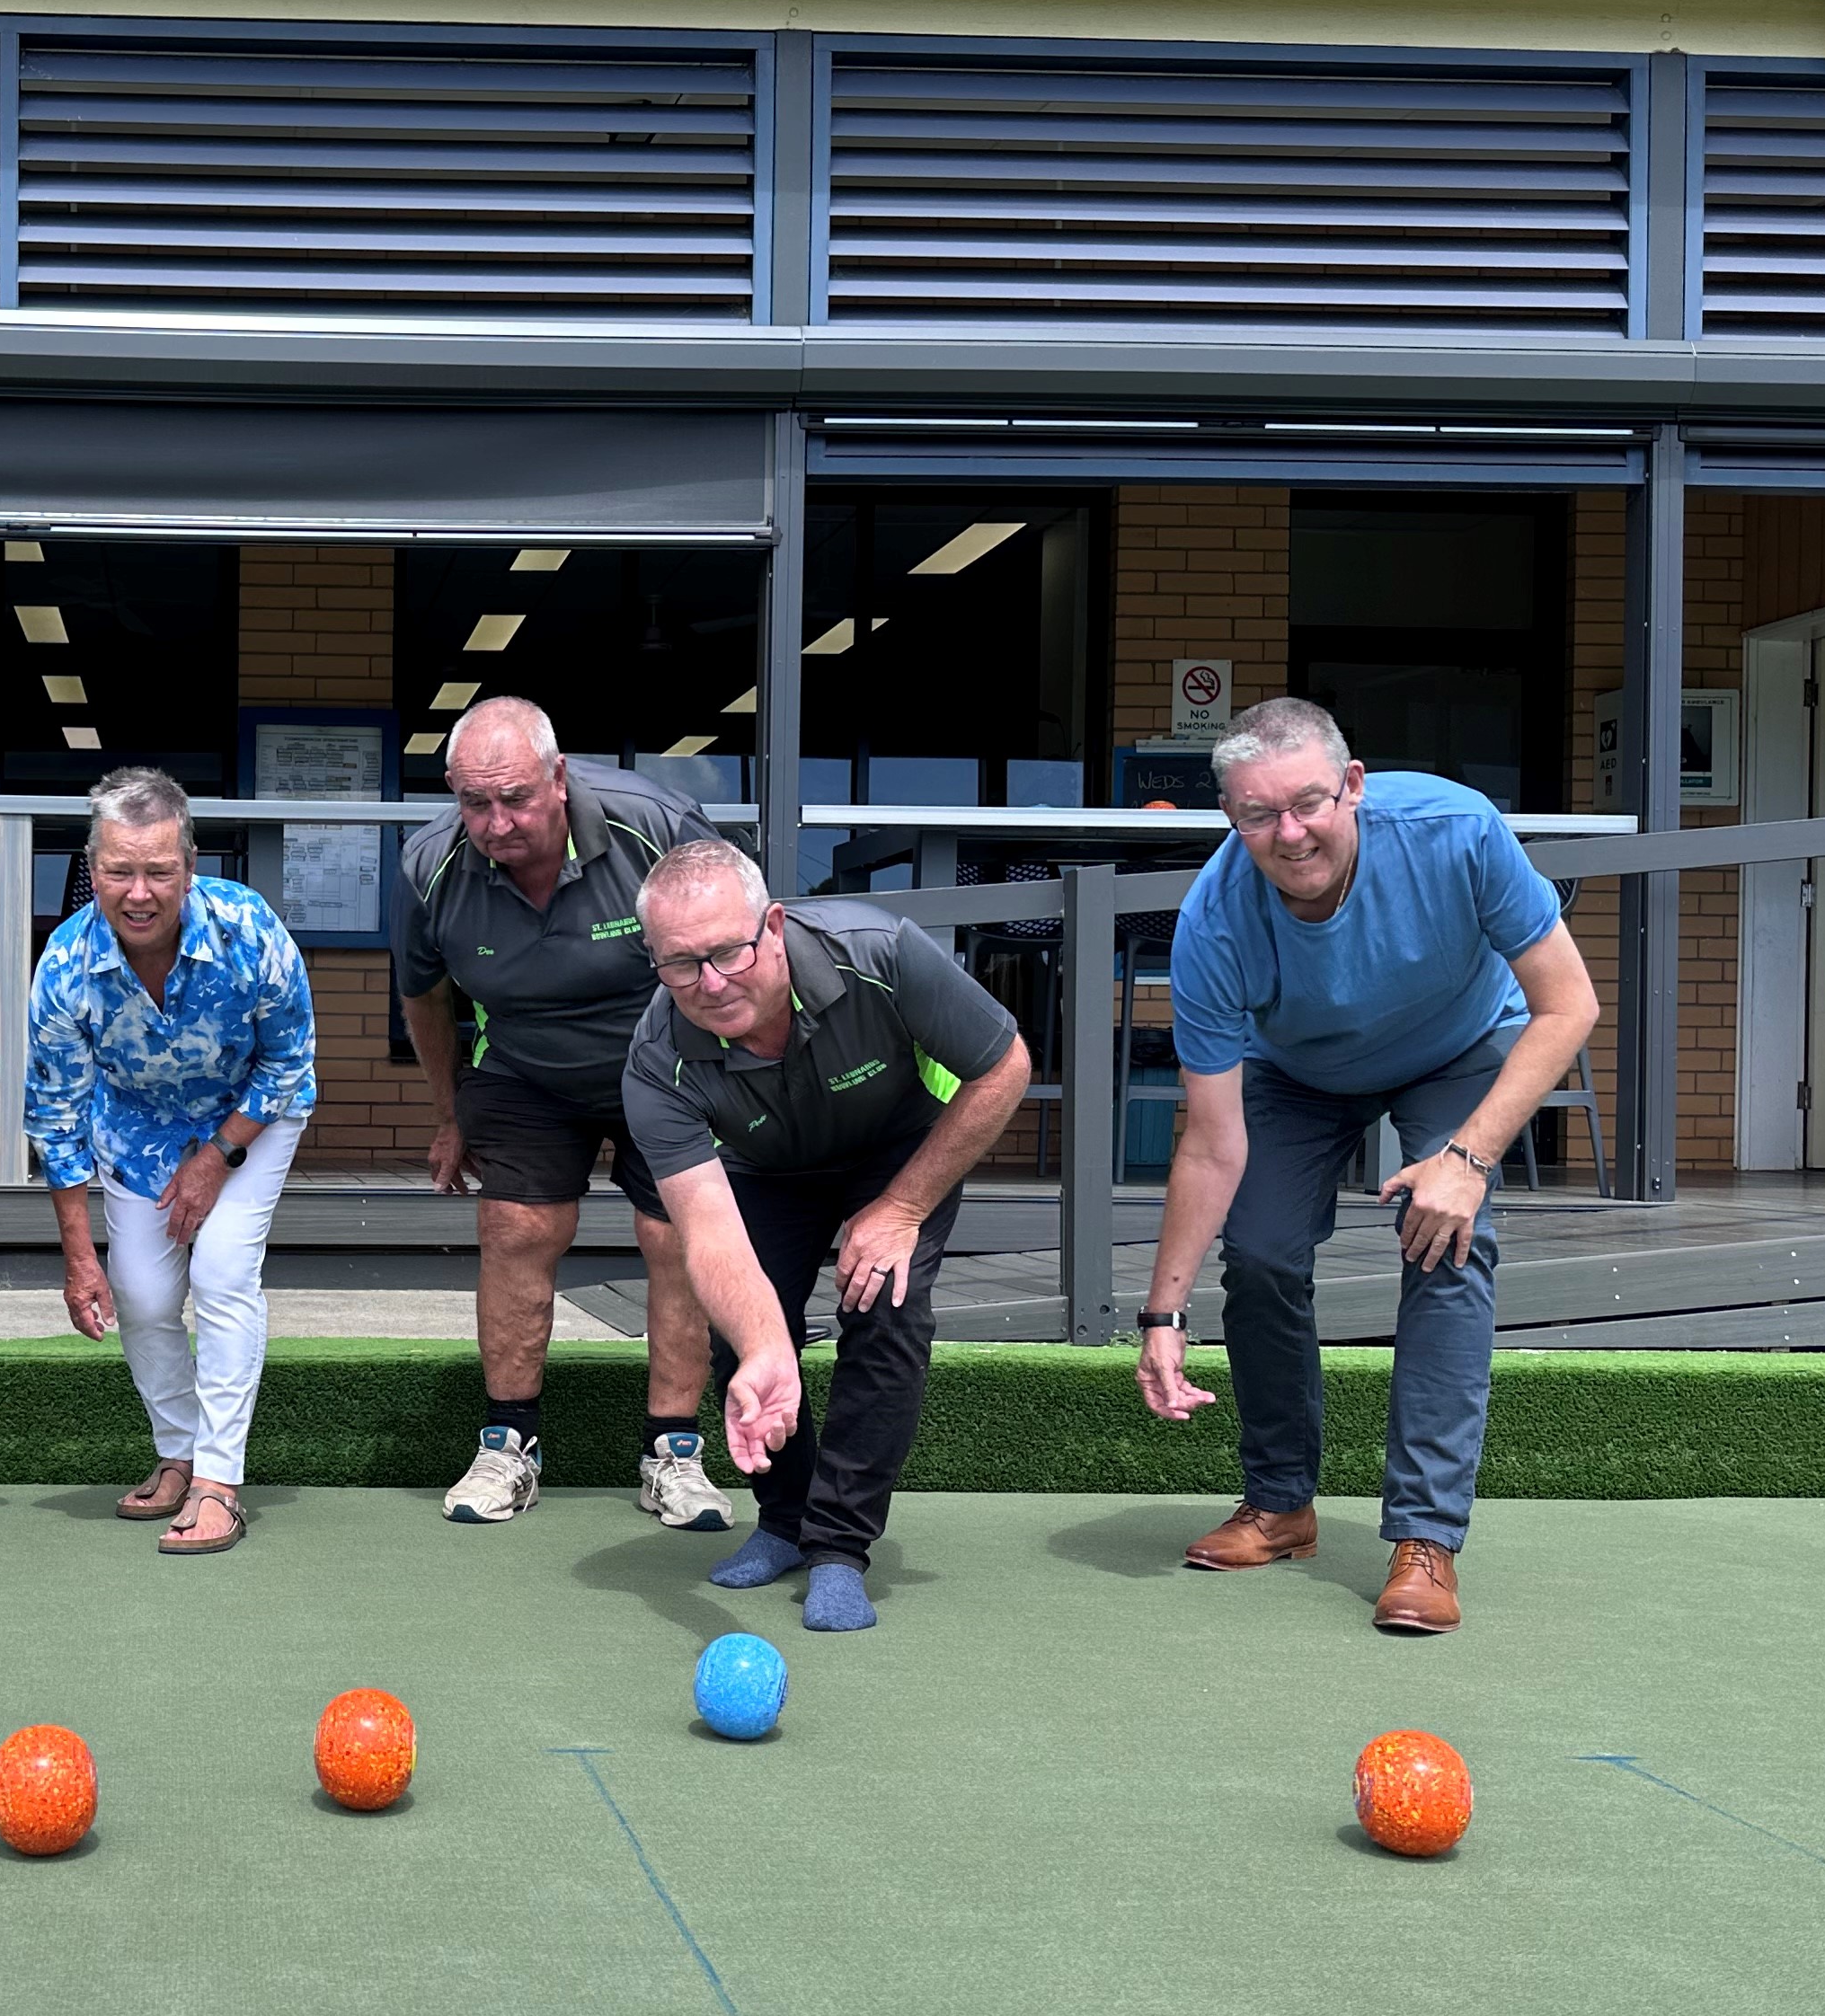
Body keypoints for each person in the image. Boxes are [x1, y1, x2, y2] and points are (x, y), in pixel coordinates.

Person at [1132, 698, 1600, 1636]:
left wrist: (1467, 1158)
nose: (1289, 833)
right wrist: (1162, 1313)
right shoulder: (1213, 924)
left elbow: (1569, 1005)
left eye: (1308, 803)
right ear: (1230, 817)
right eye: (1258, 815)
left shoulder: (1455, 829)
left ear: (1352, 785)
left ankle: (1426, 1539)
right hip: (1298, 1073)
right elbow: (1212, 1142)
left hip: (1457, 1051)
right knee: (1261, 1253)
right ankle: (1280, 1506)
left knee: (1447, 1242)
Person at [622, 840, 1034, 1631]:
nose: (710, 983)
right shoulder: (653, 1063)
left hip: (900, 1152)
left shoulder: (881, 951)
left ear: (772, 926)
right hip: (769, 1166)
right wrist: (770, 1348)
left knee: (884, 1312)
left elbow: (1005, 1065)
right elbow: (708, 1236)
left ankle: (841, 1547)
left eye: (729, 953)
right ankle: (783, 1522)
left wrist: (903, 1209)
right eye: (680, 965)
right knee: (743, 1333)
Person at [395, 696, 731, 1531]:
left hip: (669, 1058)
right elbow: (424, 996)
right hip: (523, 1065)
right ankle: (509, 1446)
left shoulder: (659, 826)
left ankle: (674, 1455)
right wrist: (451, 1114)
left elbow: (742, 957)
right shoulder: (429, 865)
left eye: (515, 798)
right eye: (476, 803)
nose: (497, 822)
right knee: (515, 1228)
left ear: (558, 777)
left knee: (678, 1237)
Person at [27, 766, 317, 1556]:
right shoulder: (63, 966)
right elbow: (54, 1115)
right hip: (137, 1128)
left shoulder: (246, 927)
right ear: (95, 871)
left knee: (222, 1270)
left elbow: (290, 1056)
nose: (140, 890)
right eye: (120, 870)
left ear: (189, 865)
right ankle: (178, 1456)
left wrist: (219, 1157)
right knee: (145, 1295)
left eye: (159, 870)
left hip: (253, 1113)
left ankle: (221, 1482)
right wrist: (79, 1258)